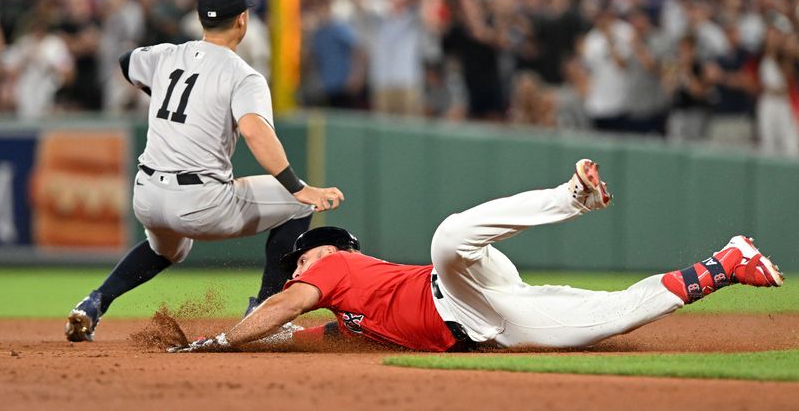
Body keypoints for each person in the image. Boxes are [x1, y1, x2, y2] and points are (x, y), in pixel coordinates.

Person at [171, 159, 783, 353]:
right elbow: (301, 331)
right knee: (606, 318)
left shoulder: (328, 266)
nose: (298, 268)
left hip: (454, 290)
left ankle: (573, 195)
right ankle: (727, 261)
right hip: (488, 320)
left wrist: (221, 342)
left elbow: (285, 306)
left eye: (299, 262)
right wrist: (256, 337)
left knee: (449, 237)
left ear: (313, 256)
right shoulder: (347, 314)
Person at [65, 0, 345, 342]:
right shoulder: (243, 74)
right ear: (242, 20)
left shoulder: (166, 54)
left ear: (201, 18)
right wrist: (298, 187)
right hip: (200, 202)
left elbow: (126, 61)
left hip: (148, 196)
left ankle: (95, 301)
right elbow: (255, 132)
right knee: (295, 206)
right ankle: (264, 313)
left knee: (166, 249)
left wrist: (158, 87)